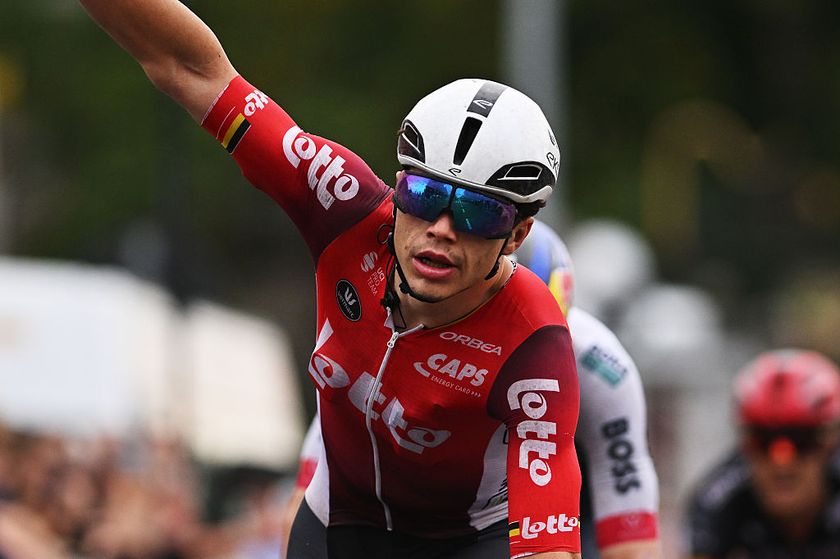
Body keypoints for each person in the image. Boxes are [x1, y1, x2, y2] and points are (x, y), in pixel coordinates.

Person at [77, 2, 581, 558]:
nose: (441, 230)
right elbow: (191, 69)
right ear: (398, 185)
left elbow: (548, 546)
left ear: (517, 234)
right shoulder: (344, 205)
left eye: (479, 215)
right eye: (424, 196)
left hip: (466, 541)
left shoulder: (535, 338)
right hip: (342, 520)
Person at [286, 221, 662, 559]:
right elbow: (311, 491)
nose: (521, 355)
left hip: (523, 514)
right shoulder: (396, 335)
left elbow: (629, 523)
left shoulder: (601, 365)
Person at [685, 349, 840, 558]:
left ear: (830, 443)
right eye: (763, 440)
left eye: (801, 440)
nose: (782, 459)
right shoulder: (717, 500)